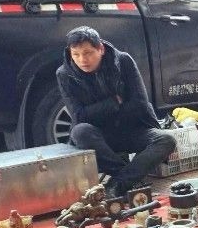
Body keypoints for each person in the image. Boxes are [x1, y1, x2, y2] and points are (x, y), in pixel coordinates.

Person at [57, 26, 176, 199]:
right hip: (100, 137)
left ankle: (117, 184)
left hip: (132, 129)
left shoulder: (123, 61)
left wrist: (97, 112)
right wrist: (113, 103)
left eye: (88, 53)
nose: (82, 60)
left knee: (166, 139)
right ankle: (126, 179)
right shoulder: (64, 74)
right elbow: (78, 116)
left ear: (101, 49)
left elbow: (139, 104)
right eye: (76, 54)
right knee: (80, 131)